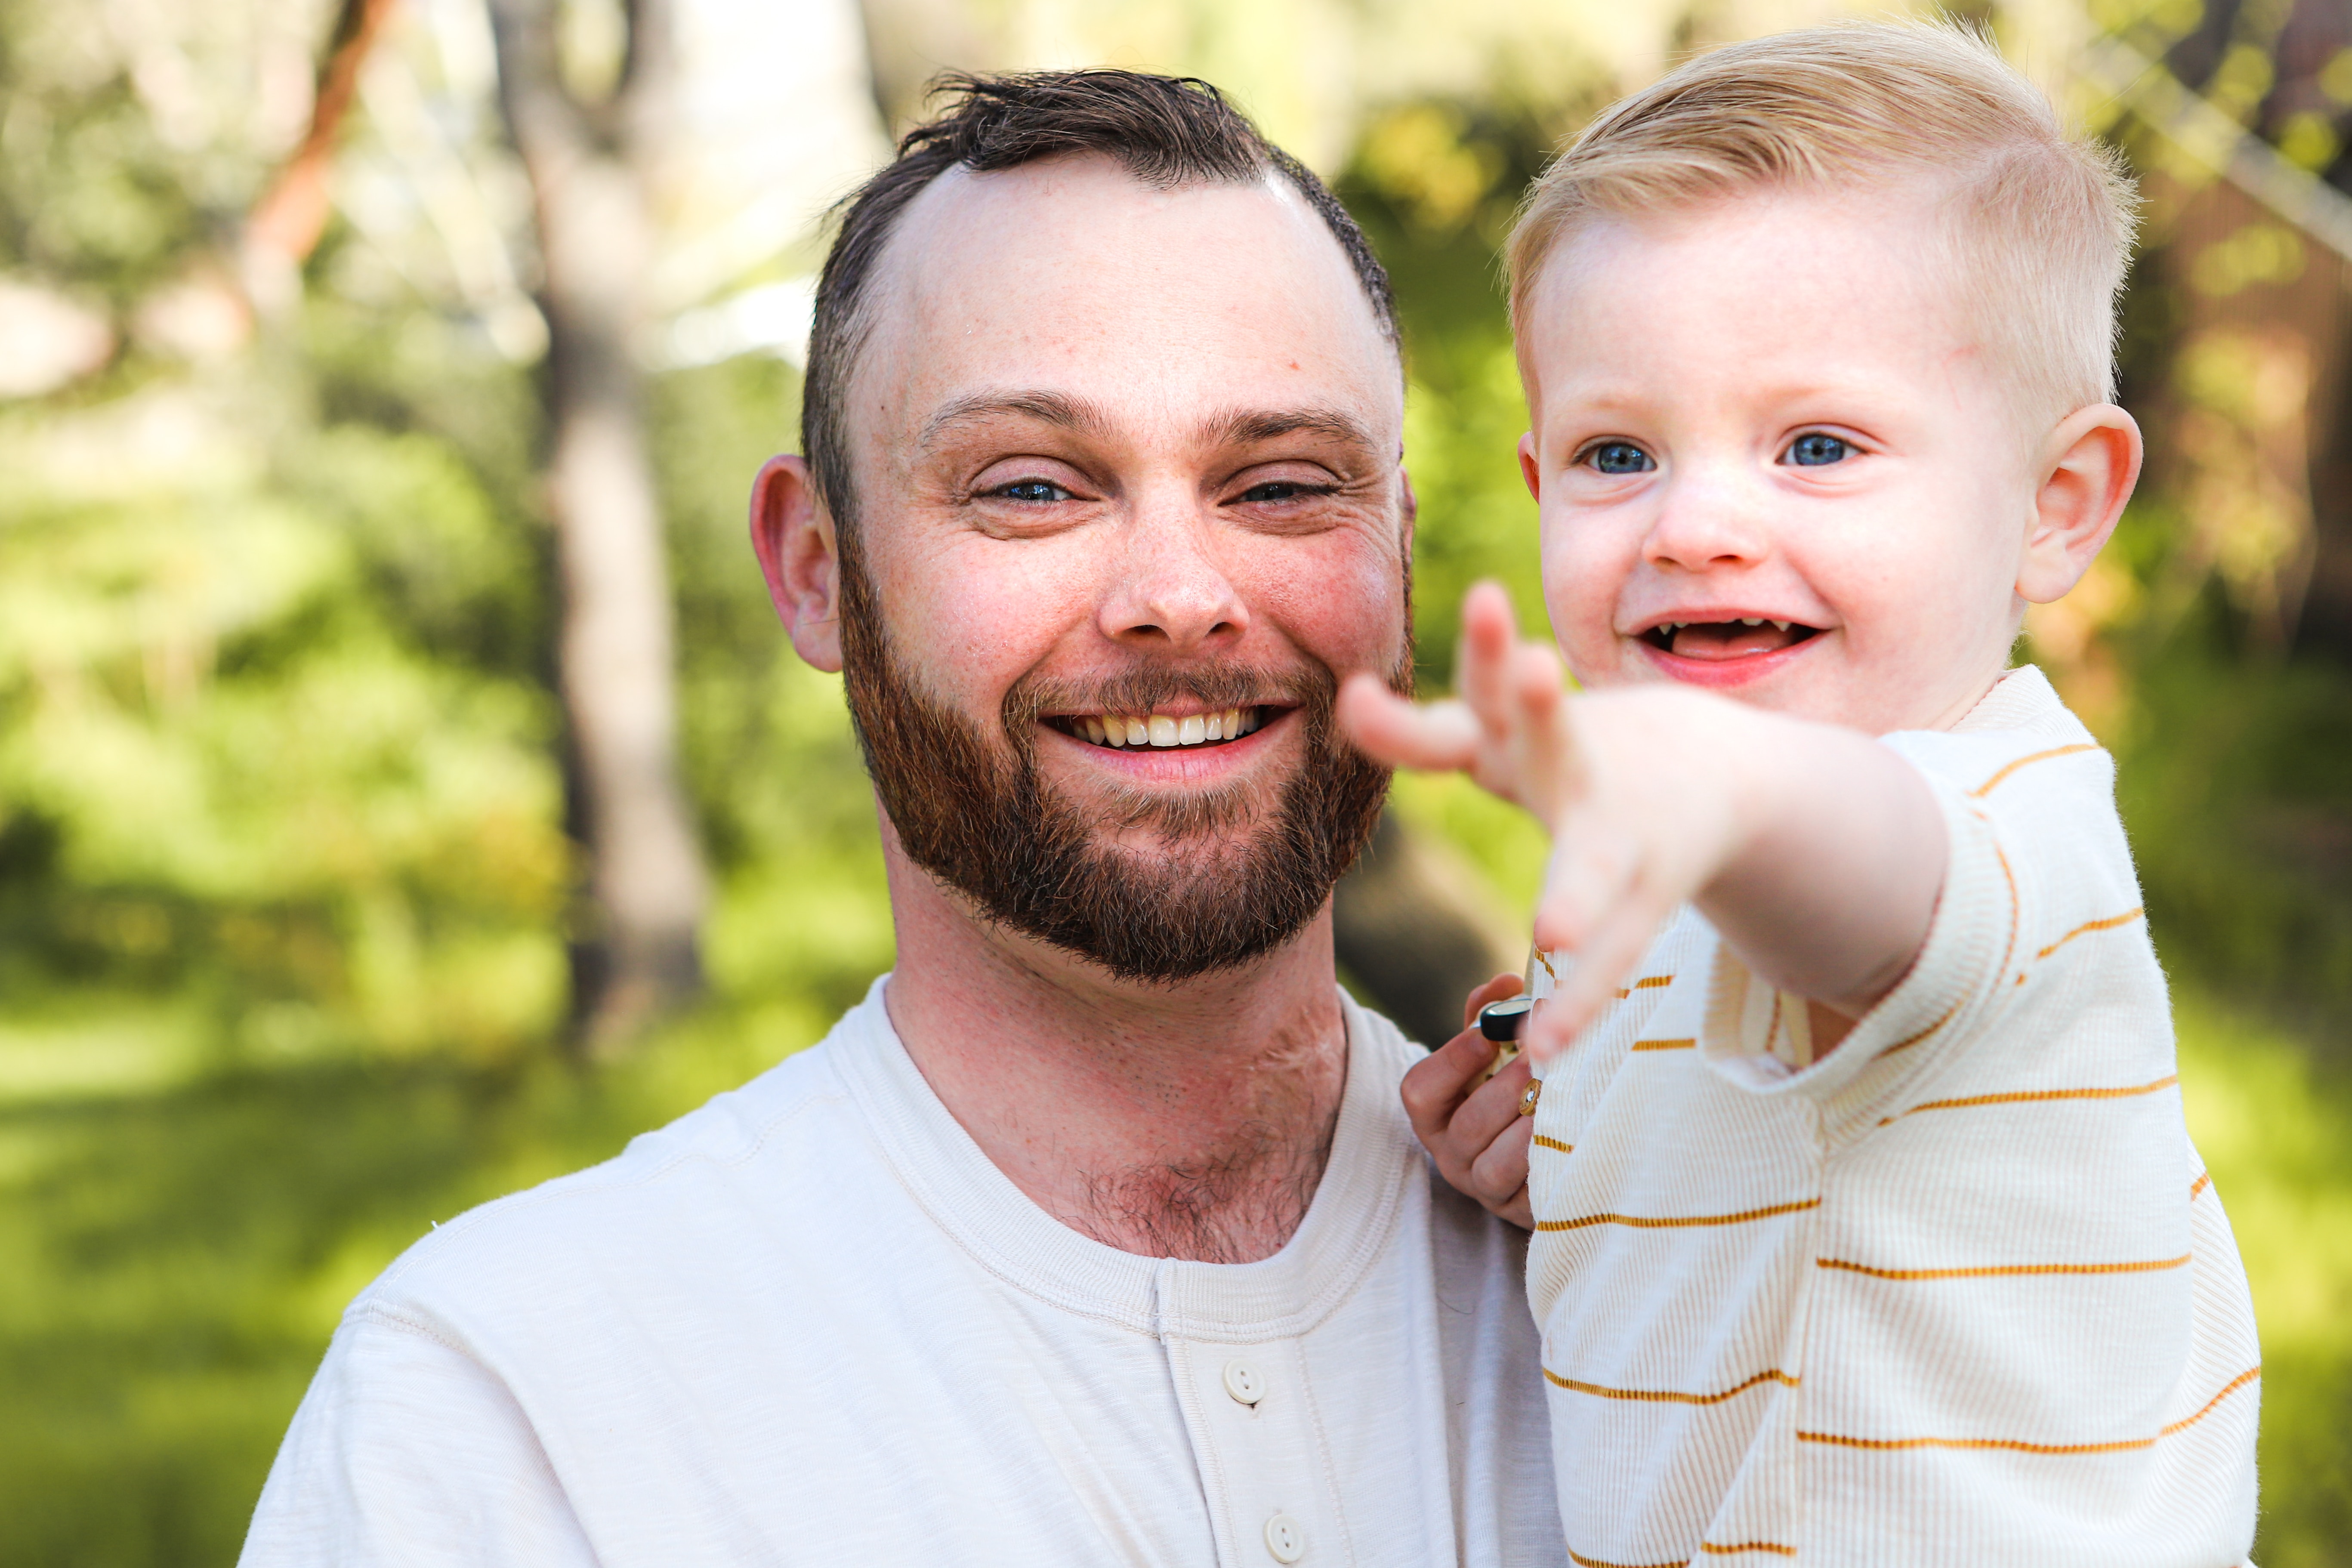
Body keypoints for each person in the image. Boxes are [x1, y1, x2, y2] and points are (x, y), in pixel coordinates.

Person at [238, 71, 1566, 1567]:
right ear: (815, 566)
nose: (1180, 596)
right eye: (1030, 487)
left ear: (1398, 546)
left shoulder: (1677, 1264)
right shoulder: (510, 1408)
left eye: (1277, 484)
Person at [1340, 22, 2262, 1567]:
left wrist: (1714, 786)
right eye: (1616, 451)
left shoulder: (2002, 832)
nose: (1696, 522)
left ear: (2055, 506)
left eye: (1816, 445)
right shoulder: (1681, 864)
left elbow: (1872, 892)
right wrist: (1555, 1166)